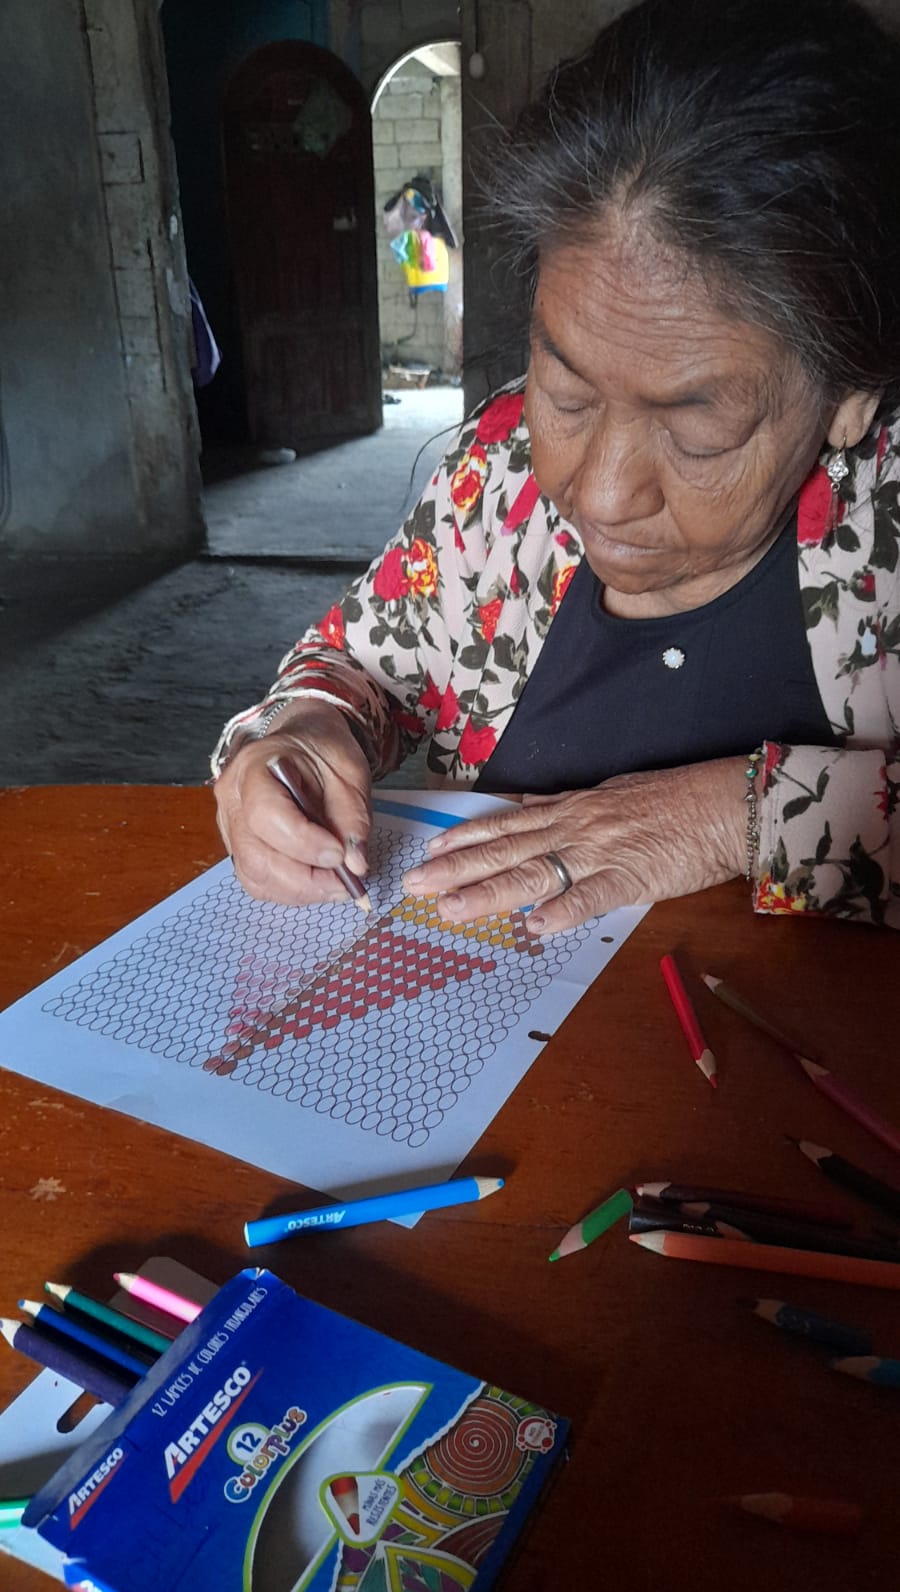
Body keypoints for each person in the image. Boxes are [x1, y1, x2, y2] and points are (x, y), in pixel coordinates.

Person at [213, 0, 900, 935]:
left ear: (850, 397)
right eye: (567, 393)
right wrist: (300, 732)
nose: (600, 493)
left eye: (697, 434)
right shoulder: (496, 474)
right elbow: (358, 663)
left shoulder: (884, 533)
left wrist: (731, 818)